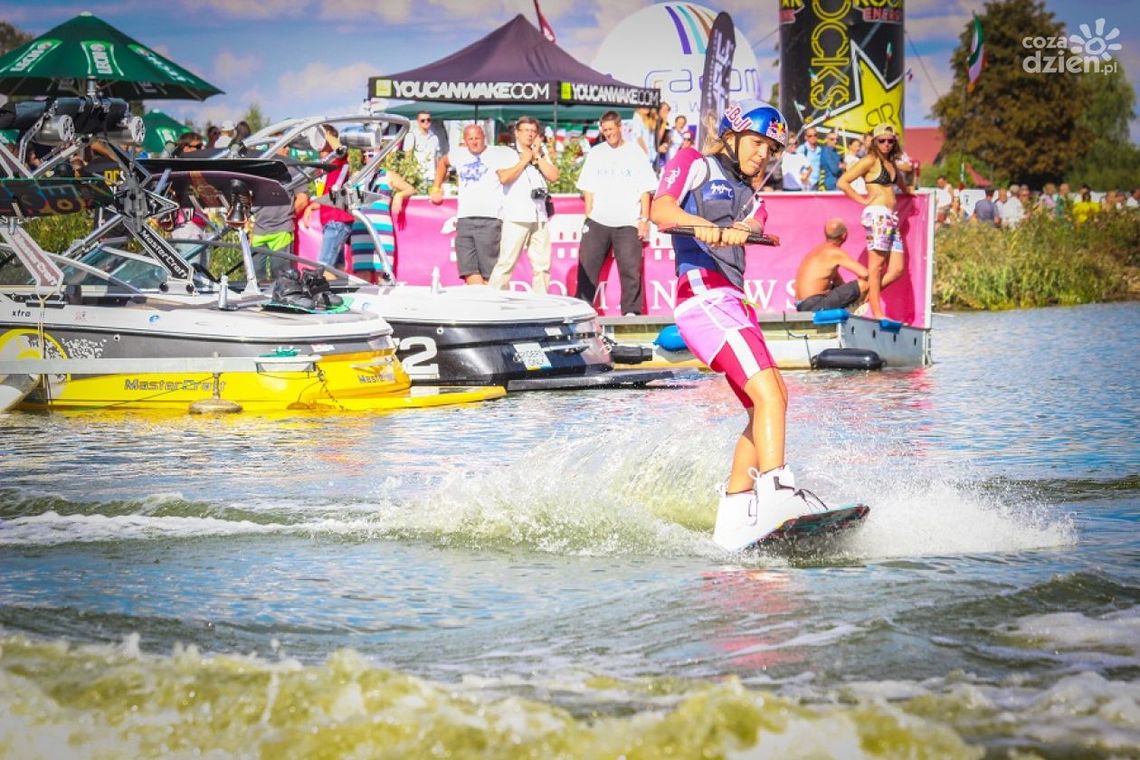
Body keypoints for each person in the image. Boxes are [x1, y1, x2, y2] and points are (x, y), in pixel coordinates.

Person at [650, 99, 840, 552]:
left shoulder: (754, 195)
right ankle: (777, 493)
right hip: (704, 298)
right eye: (757, 143)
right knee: (769, 394)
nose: (763, 155)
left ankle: (737, 513)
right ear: (732, 136)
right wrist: (701, 226)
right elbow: (661, 211)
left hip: (735, 302)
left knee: (770, 400)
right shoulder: (693, 162)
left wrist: (743, 229)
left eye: (771, 150)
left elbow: (756, 221)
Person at [574, 111, 658, 315]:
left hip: (628, 220)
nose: (608, 133)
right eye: (605, 130)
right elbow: (588, 187)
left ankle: (631, 313)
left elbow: (645, 189)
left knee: (630, 269)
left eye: (611, 129)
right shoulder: (596, 152)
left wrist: (644, 219)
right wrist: (588, 214)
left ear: (621, 128)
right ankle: (581, 311)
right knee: (587, 268)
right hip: (598, 220)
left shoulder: (635, 152)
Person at [836, 123, 909, 320]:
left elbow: (902, 184)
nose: (886, 144)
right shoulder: (870, 160)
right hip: (877, 215)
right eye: (882, 140)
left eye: (890, 141)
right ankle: (877, 313)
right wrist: (862, 199)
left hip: (890, 217)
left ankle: (863, 298)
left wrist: (911, 191)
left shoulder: (891, 163)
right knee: (876, 268)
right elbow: (842, 181)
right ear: (875, 142)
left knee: (897, 269)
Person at [430, 124, 515, 284]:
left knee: (490, 273)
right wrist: (436, 187)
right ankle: (481, 298)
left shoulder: (498, 153)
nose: (474, 142)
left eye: (477, 138)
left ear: (484, 138)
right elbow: (443, 163)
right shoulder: (458, 154)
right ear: (465, 140)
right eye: (470, 139)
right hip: (464, 218)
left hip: (490, 218)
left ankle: (490, 299)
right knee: (468, 270)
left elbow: (518, 164)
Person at [487, 116, 560, 293]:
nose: (530, 134)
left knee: (543, 266)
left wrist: (537, 157)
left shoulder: (540, 152)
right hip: (516, 215)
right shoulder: (506, 152)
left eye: (533, 131)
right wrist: (524, 160)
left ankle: (540, 302)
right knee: (506, 263)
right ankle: (494, 299)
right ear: (517, 133)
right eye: (526, 130)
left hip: (539, 215)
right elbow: (504, 178)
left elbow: (554, 176)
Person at [349, 166, 415, 283]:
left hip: (382, 230)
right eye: (369, 155)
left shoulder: (388, 175)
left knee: (384, 273)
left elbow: (410, 189)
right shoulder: (356, 175)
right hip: (360, 229)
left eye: (374, 155)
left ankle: (385, 295)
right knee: (362, 275)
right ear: (364, 157)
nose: (371, 157)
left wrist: (399, 195)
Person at [302, 125, 354, 270]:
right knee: (336, 268)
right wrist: (312, 206)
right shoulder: (325, 167)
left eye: (324, 142)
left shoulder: (338, 162)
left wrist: (325, 134)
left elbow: (341, 150)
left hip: (336, 221)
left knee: (323, 267)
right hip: (333, 221)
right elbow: (330, 196)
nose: (320, 148)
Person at [794, 219, 869, 312]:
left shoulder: (818, 250)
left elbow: (838, 283)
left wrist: (850, 295)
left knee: (844, 289)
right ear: (844, 235)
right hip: (814, 303)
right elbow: (865, 274)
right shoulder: (834, 251)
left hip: (801, 305)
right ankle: (852, 311)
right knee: (863, 285)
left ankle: (849, 308)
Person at [403, 110, 442, 186]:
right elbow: (407, 158)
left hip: (432, 178)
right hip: (417, 178)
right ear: (418, 122)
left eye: (428, 120)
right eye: (423, 120)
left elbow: (437, 159)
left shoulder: (434, 138)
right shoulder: (411, 136)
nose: (426, 122)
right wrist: (410, 178)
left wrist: (438, 177)